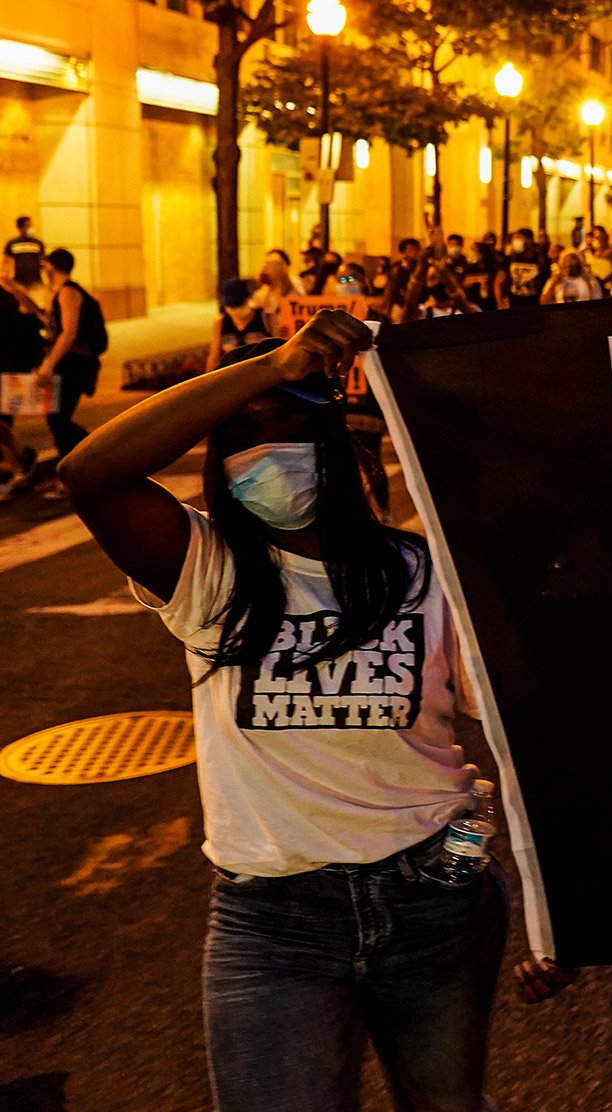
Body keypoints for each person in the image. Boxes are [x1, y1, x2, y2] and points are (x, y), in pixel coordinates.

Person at [55, 315, 570, 1109]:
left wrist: (557, 910)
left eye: (287, 420)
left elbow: (529, 739)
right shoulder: (208, 570)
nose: (264, 448)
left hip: (442, 881)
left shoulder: (428, 573)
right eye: (239, 435)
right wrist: (269, 367)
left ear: (336, 441)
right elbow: (90, 473)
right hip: (270, 919)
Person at [8, 249, 108, 492]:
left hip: (73, 364)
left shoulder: (69, 292)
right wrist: (14, 289)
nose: (42, 269)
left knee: (59, 421)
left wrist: (48, 364)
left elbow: (69, 332)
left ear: (53, 266)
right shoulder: (60, 293)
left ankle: (95, 460)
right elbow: (48, 322)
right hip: (69, 363)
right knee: (58, 420)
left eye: (45, 265)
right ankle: (87, 465)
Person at [0, 273, 43, 497]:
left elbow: (32, 316)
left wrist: (13, 287)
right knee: (3, 425)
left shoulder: (7, 300)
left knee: (2, 425)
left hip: (8, 371)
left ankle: (19, 469)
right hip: (14, 371)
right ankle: (19, 466)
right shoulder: (9, 299)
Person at [207, 279, 272, 373]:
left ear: (248, 299)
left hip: (260, 372)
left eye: (239, 305)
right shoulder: (221, 322)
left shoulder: (265, 318)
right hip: (232, 374)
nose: (235, 310)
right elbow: (214, 354)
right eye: (231, 306)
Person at [496, 229, 547, 309]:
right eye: (515, 238)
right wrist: (500, 302)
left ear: (529, 240)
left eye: (519, 238)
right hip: (514, 304)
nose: (516, 241)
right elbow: (499, 282)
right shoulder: (510, 258)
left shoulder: (540, 259)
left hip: (534, 305)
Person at [6, 215, 45, 291]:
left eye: (30, 225)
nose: (29, 227)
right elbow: (7, 261)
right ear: (20, 227)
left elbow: (43, 260)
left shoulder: (38, 243)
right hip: (18, 281)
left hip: (36, 282)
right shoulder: (12, 243)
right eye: (26, 225)